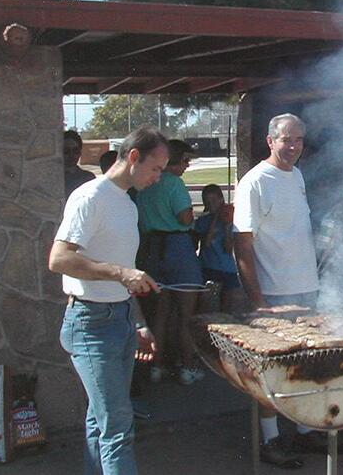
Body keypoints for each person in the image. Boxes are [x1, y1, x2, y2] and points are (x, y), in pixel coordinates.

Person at [49, 126, 168, 475]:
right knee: (117, 424)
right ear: (133, 157)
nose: (158, 178)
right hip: (89, 324)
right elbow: (59, 259)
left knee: (100, 421)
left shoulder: (128, 205)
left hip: (120, 320)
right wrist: (119, 273)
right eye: (155, 168)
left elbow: (127, 275)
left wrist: (141, 322)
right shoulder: (90, 197)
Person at [233, 113, 330, 468]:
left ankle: (303, 432)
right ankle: (272, 441)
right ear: (270, 140)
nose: (293, 147)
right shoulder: (254, 182)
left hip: (306, 288)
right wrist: (258, 302)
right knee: (271, 372)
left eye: (299, 140)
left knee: (304, 365)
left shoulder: (297, 176)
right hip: (274, 294)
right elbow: (242, 245)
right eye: (286, 140)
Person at [135, 139, 205, 386]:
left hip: (152, 249)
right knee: (187, 315)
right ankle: (187, 367)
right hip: (178, 249)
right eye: (185, 160)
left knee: (161, 314)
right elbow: (185, 218)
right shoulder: (174, 183)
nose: (187, 165)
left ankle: (157, 366)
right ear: (173, 160)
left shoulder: (144, 185)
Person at [193, 184, 241, 313]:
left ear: (221, 200)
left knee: (227, 303)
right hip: (207, 264)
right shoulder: (202, 221)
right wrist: (214, 218)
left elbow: (228, 248)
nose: (212, 205)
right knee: (203, 302)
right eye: (208, 202)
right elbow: (206, 243)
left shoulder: (231, 221)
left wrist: (226, 225)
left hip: (226, 266)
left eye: (214, 201)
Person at [64, 130, 96, 199]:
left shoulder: (88, 178)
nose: (71, 155)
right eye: (66, 151)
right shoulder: (55, 177)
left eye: (75, 151)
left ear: (80, 153)